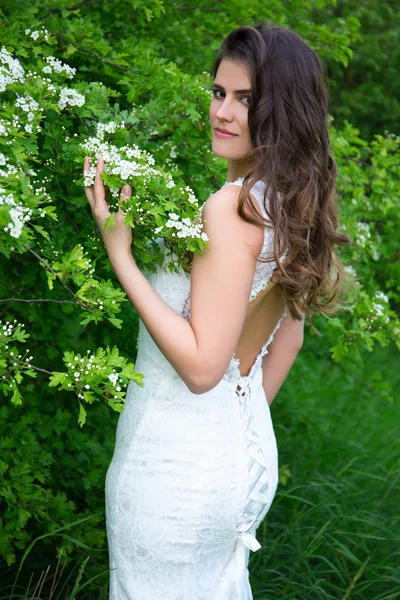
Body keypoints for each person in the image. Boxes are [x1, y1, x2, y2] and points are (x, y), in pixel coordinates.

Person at [84, 23, 350, 600]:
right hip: (236, 458)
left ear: (282, 111)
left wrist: (120, 255)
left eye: (247, 99)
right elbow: (287, 344)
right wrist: (229, 431)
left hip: (174, 469)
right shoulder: (285, 207)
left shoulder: (231, 210)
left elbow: (204, 369)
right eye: (219, 92)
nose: (223, 112)